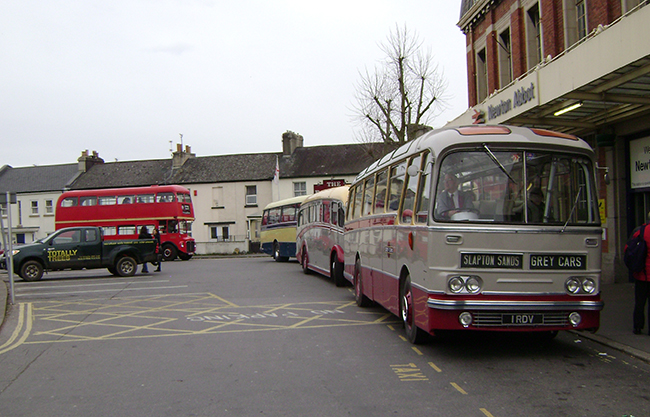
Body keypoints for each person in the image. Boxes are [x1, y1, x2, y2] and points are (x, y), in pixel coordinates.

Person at [629, 212, 650, 335]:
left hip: (641, 274)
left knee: (640, 302)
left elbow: (629, 248)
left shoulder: (640, 231)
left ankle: (638, 326)